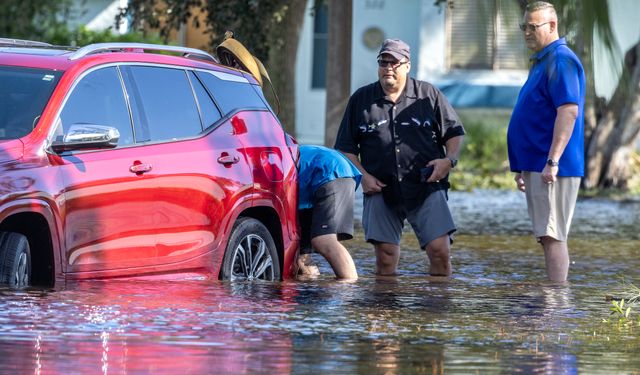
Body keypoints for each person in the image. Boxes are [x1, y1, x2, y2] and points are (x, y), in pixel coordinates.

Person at [334, 39, 465, 277]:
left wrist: (449, 161)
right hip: (381, 189)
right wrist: (363, 177)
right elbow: (345, 148)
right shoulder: (361, 100)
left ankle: (437, 310)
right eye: (384, 62)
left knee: (440, 252)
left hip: (426, 186)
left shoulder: (429, 95)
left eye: (394, 62)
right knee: (385, 257)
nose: (388, 68)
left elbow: (454, 133)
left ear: (407, 65)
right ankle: (386, 310)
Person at [507, 1, 585, 282]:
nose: (527, 32)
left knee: (552, 234)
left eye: (533, 26)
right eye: (523, 26)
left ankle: (556, 304)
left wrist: (552, 161)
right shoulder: (543, 60)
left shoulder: (561, 60)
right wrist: (523, 166)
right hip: (538, 164)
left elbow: (568, 111)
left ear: (552, 26)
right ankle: (553, 302)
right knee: (546, 233)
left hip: (553, 166)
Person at [297, 145, 361, 280]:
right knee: (299, 248)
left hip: (329, 172)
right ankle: (307, 279)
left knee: (324, 240)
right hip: (324, 175)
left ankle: (348, 286)